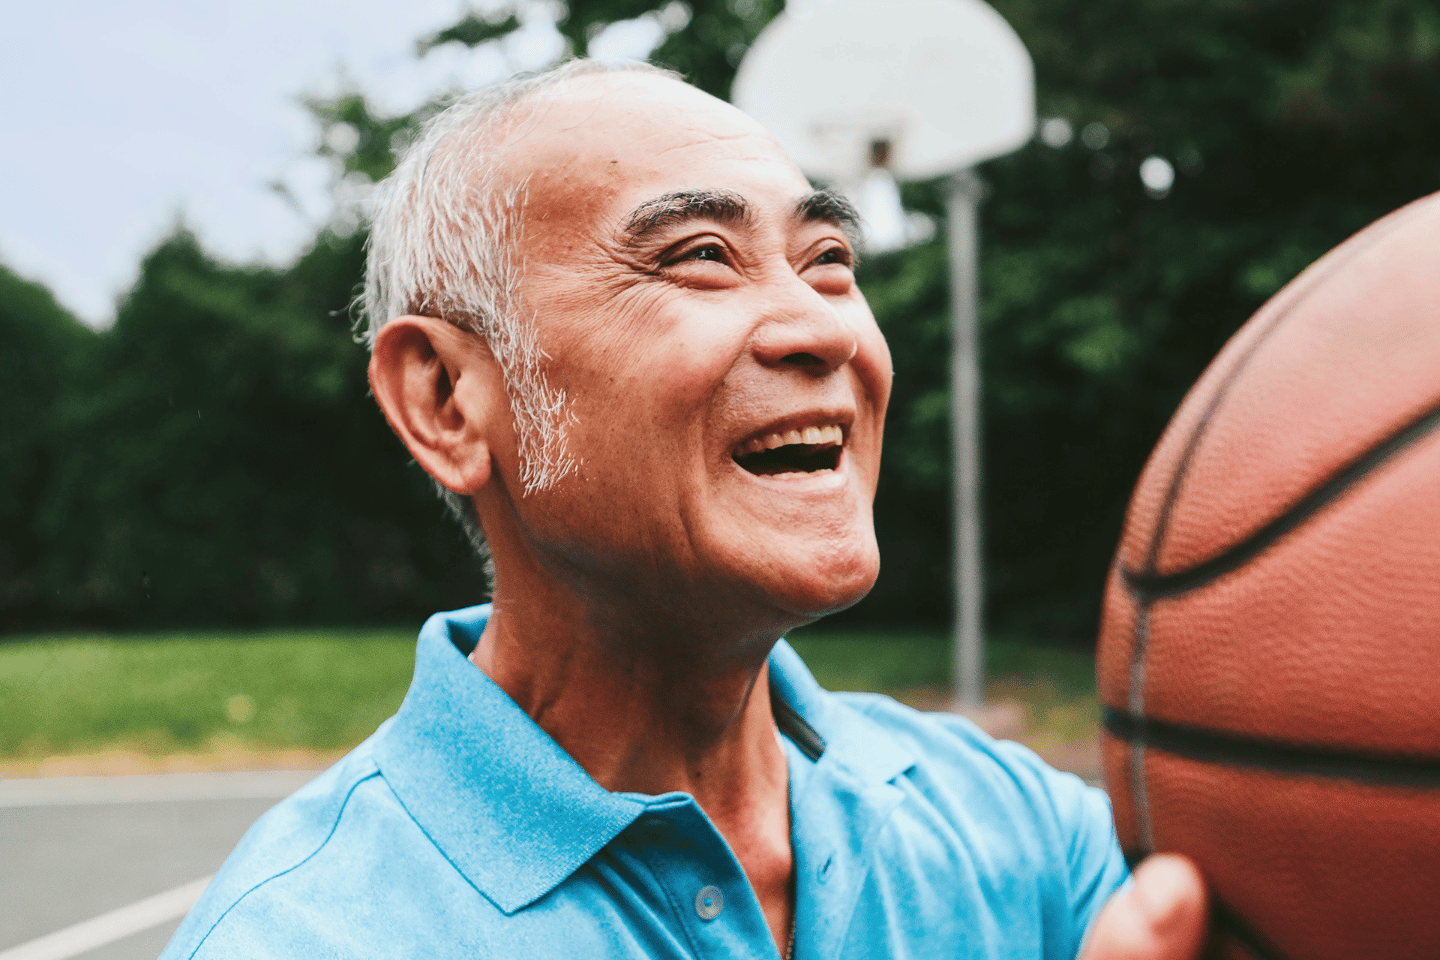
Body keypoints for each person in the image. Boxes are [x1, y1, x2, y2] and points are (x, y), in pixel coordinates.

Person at [161, 59, 1206, 960]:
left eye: (828, 262)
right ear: (447, 400)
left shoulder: (1016, 836)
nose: (821, 329)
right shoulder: (307, 937)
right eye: (701, 256)